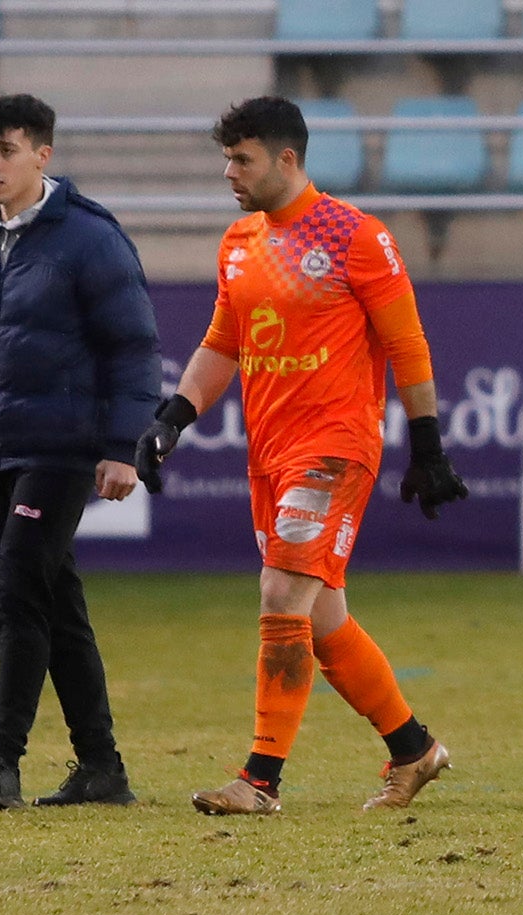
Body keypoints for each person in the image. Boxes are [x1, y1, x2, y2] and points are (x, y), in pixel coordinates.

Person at [136, 97, 468, 815]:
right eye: (226, 159)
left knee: (282, 595)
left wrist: (428, 445)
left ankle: (260, 780)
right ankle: (413, 749)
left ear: (287, 160)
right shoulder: (239, 241)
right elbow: (223, 343)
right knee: (322, 620)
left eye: (242, 160)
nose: (230, 172)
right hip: (272, 452)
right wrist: (172, 418)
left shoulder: (354, 235)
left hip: (335, 448)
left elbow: (407, 344)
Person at [0, 93, 161, 810]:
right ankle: (101, 767)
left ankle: (2, 760)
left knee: (19, 587)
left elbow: (133, 345)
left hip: (61, 449)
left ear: (43, 155)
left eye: (5, 150)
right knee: (56, 604)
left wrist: (124, 447)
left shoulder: (89, 238)